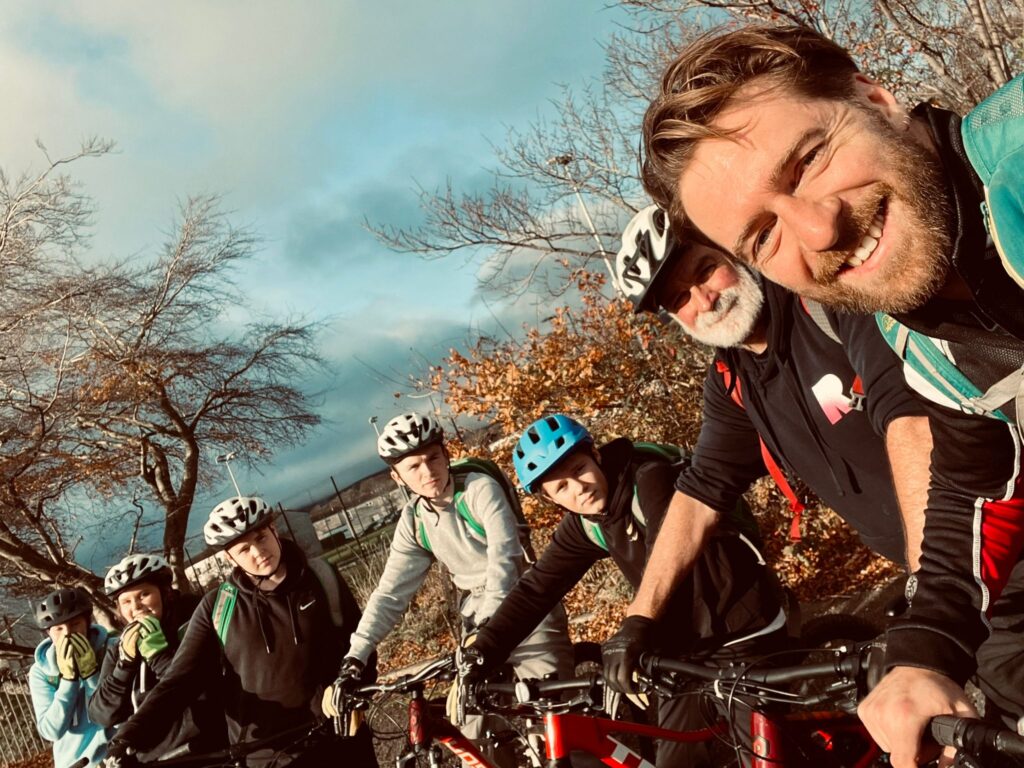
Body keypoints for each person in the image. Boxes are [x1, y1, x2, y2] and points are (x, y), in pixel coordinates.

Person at [637, 25, 1024, 766]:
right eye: (761, 236)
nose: (818, 230)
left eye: (810, 160)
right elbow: (975, 466)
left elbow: (911, 431)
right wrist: (928, 638)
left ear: (874, 96)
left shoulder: (1012, 177)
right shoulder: (919, 330)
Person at [604, 205, 932, 691]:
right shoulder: (732, 381)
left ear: (730, 249)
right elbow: (700, 493)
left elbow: (909, 417)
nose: (705, 299)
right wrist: (639, 619)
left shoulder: (823, 299)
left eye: (704, 269)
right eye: (680, 299)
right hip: (940, 569)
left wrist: (936, 584)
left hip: (980, 539)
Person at [463, 413, 787, 767]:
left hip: (742, 626)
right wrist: (484, 651)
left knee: (761, 755)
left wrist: (636, 628)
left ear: (596, 455)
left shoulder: (650, 477)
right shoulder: (587, 524)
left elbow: (669, 554)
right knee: (674, 760)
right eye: (561, 488)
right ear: (549, 499)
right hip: (682, 646)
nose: (578, 488)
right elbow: (537, 588)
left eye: (578, 469)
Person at [324, 412, 573, 765]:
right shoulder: (414, 521)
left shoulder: (477, 489)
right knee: (473, 731)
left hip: (527, 610)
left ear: (446, 455)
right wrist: (355, 657)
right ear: (397, 477)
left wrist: (489, 630)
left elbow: (505, 557)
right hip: (477, 624)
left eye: (433, 458)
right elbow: (390, 594)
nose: (427, 472)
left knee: (553, 728)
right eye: (413, 467)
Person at [102, 497, 377, 767]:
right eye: (243, 549)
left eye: (260, 537)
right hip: (268, 753)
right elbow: (179, 682)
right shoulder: (218, 605)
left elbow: (360, 645)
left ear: (273, 530)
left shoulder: (321, 577)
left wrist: (351, 686)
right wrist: (127, 738)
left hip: (340, 734)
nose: (258, 552)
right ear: (229, 557)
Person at [89, 553, 224, 760]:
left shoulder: (192, 623)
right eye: (126, 601)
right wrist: (124, 667)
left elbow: (200, 690)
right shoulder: (118, 648)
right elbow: (102, 715)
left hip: (204, 749)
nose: (136, 608)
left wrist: (159, 655)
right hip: (148, 758)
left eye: (144, 595)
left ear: (165, 592)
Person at [28, 586, 112, 768]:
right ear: (49, 633)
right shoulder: (41, 672)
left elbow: (115, 709)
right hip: (75, 763)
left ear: (88, 622)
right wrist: (68, 681)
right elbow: (51, 731)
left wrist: (91, 675)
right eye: (58, 629)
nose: (68, 634)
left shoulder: (112, 648)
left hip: (118, 754)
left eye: (75, 625)